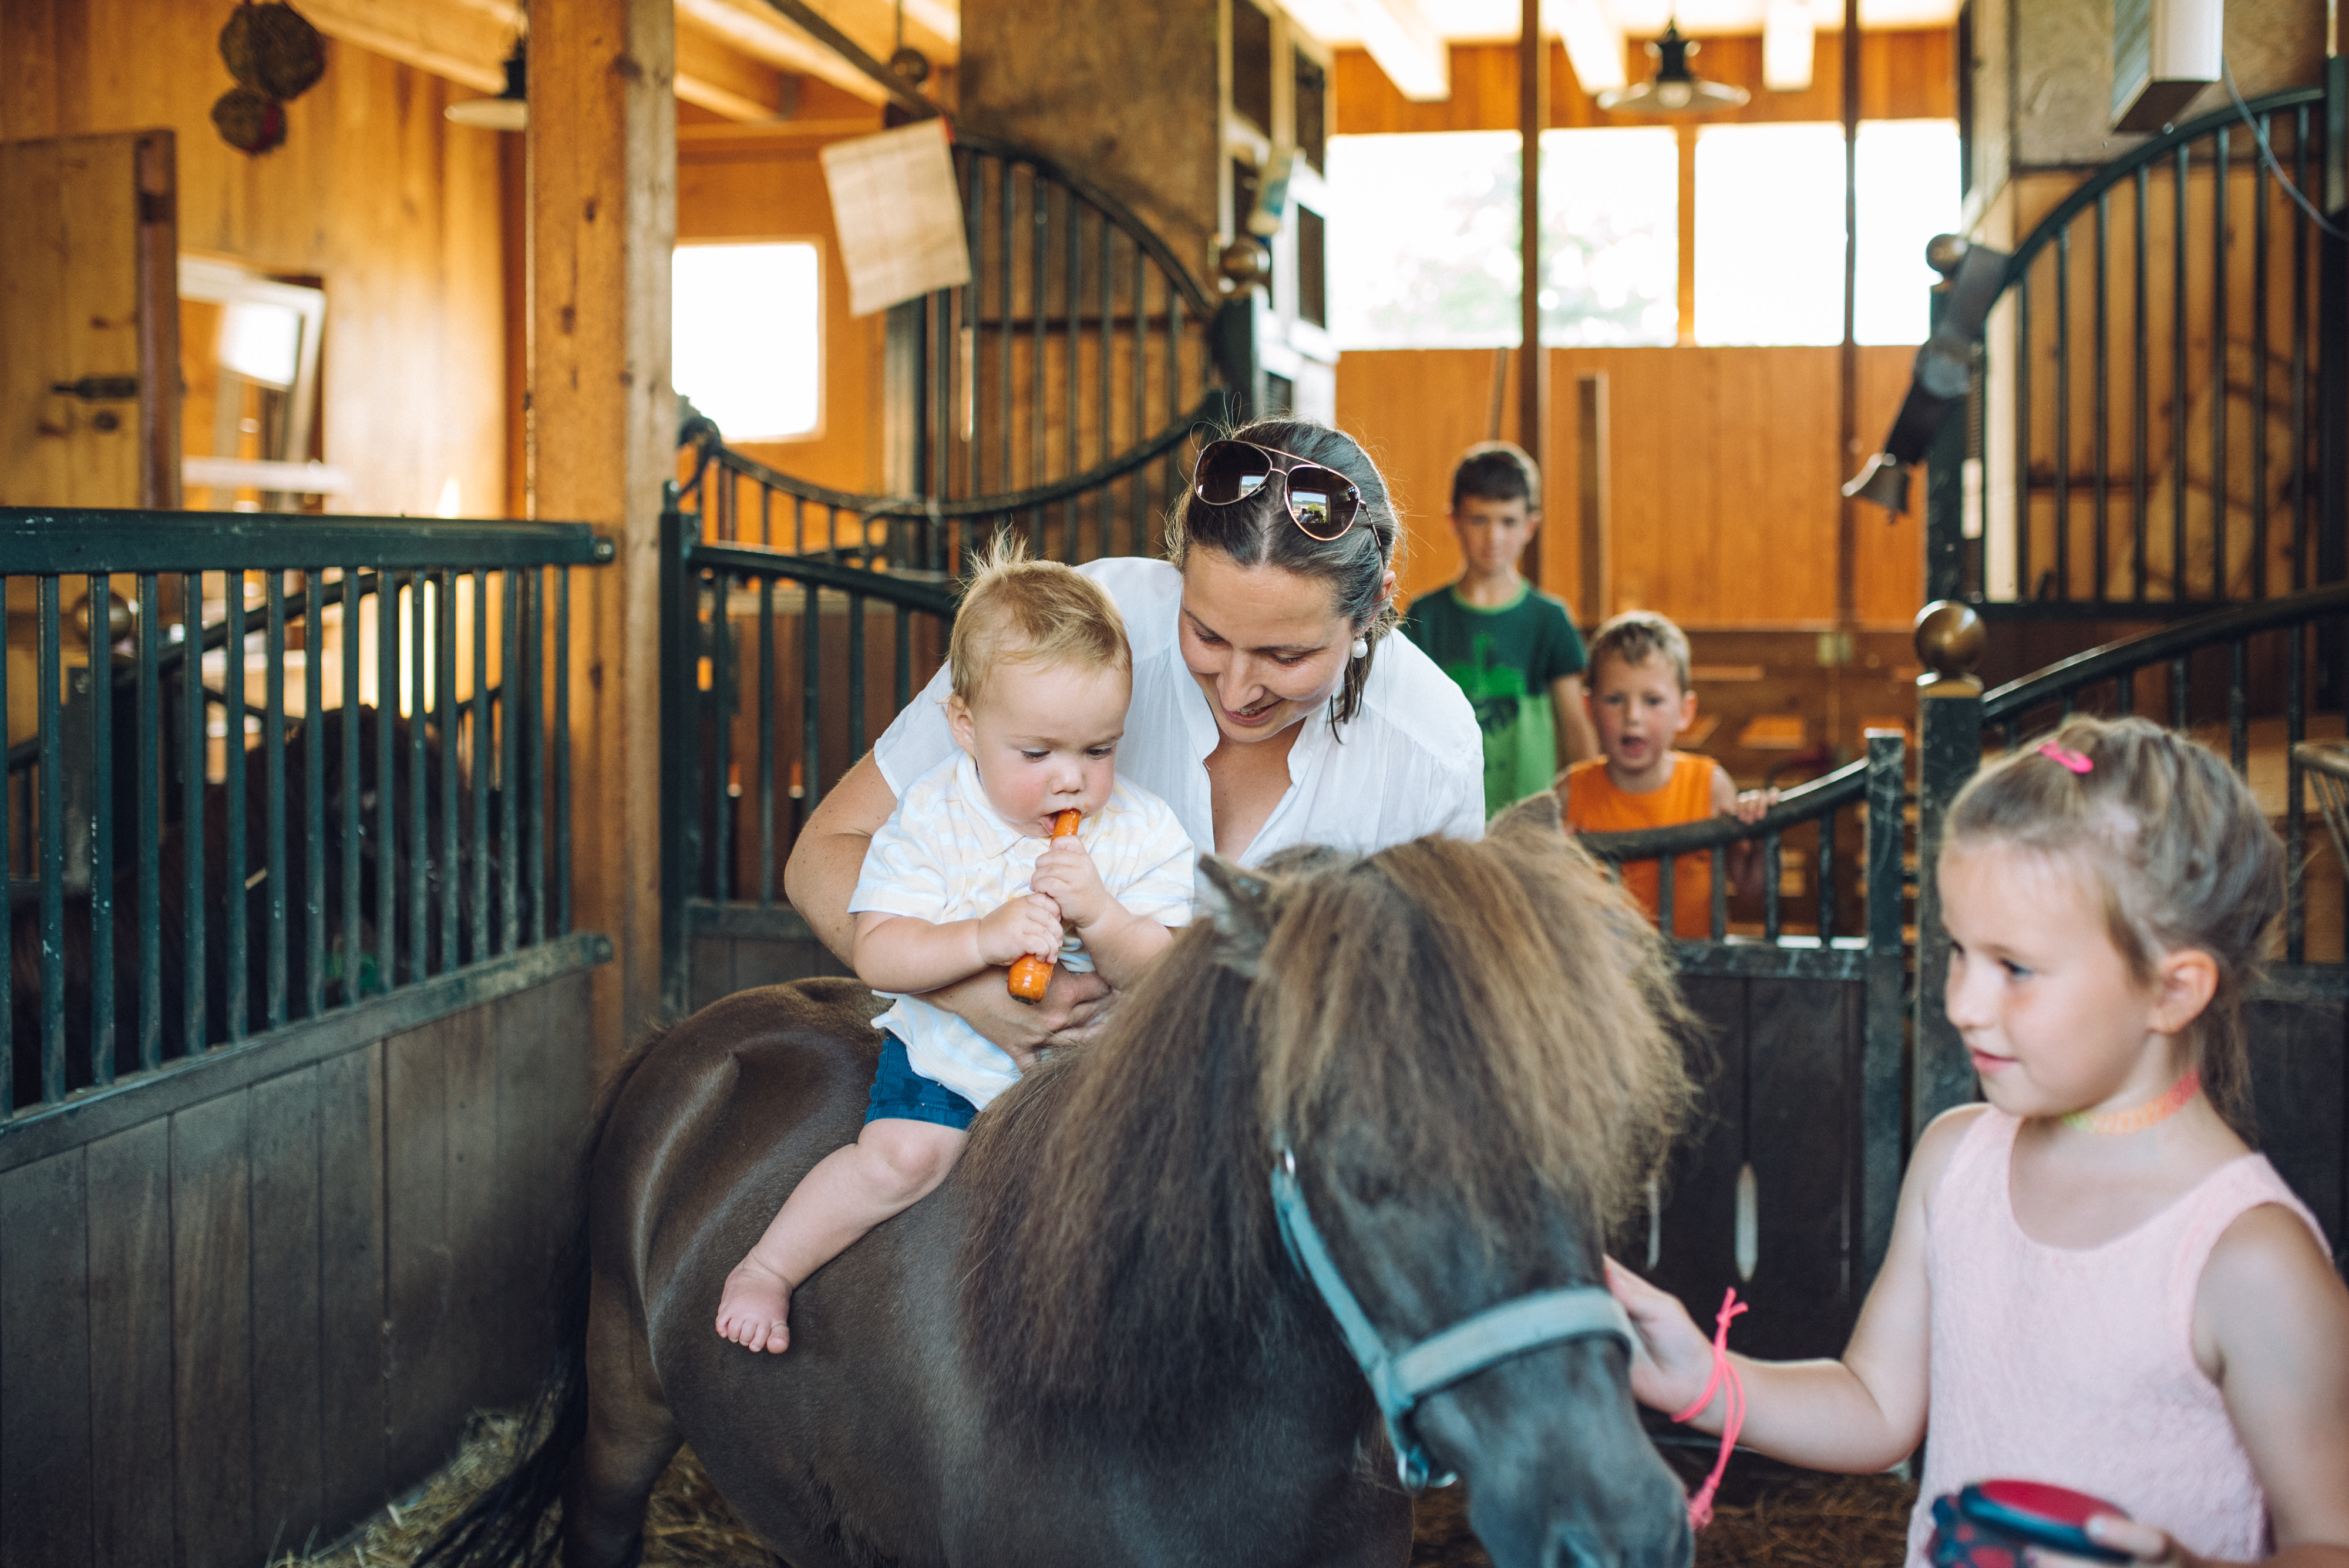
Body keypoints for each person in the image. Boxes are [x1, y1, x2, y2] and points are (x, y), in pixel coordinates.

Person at [1608, 716, 2349, 1568]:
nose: (1962, 1002)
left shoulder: (2250, 1257)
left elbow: (2328, 1537)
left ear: (2173, 989)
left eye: (2016, 968)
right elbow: (1876, 1403)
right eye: (1959, 951)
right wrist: (1702, 1379)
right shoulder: (1957, 1159)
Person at [780, 418, 1484, 1064]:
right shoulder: (1077, 635)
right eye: (1206, 635)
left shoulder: (1431, 748)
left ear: (1373, 605)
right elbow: (823, 855)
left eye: (1286, 656)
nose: (1238, 691)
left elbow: (1440, 1017)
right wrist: (967, 996)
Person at [715, 549, 1196, 1354]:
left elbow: (1166, 974)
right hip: (952, 1060)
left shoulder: (1142, 832)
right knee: (902, 1156)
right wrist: (983, 939)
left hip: (1088, 1080)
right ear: (966, 725)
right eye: (1038, 754)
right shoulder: (933, 819)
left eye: (1099, 750)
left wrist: (1103, 917)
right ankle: (767, 1267)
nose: (1070, 781)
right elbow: (880, 952)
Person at [1400, 441, 1599, 816]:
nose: (1494, 538)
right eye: (1479, 520)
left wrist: (1590, 811)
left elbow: (1576, 731)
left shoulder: (1550, 620)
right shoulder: (1424, 617)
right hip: (1444, 817)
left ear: (1530, 526)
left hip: (1529, 824)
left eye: (1508, 521)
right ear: (1454, 520)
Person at [1559, 610, 1769, 937]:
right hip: (1606, 982)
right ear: (1590, 709)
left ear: (1685, 712)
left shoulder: (1708, 785)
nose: (1633, 716)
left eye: (1653, 700)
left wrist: (1761, 836)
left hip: (1699, 978)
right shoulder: (1570, 793)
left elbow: (1753, 891)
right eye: (1615, 699)